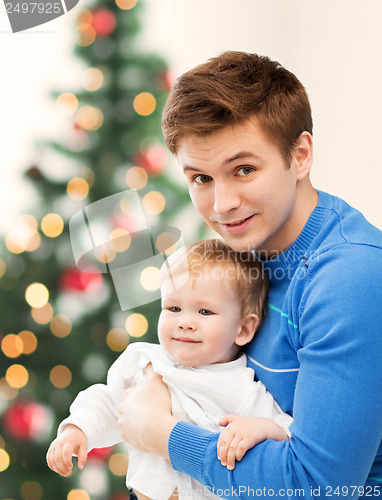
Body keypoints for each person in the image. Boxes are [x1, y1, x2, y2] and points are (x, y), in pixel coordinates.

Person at [116, 51, 382, 499]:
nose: (222, 205)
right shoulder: (242, 252)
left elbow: (318, 487)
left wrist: (162, 434)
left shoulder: (350, 278)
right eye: (201, 178)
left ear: (299, 155)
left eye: (244, 170)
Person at [46, 239, 293, 500]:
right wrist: (77, 429)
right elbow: (110, 402)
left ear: (243, 329)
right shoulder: (146, 361)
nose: (185, 322)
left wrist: (261, 428)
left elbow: (289, 435)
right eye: (174, 308)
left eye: (205, 311)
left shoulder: (241, 387)